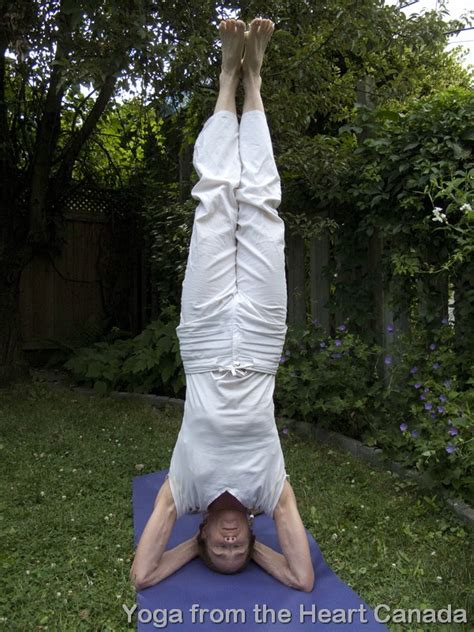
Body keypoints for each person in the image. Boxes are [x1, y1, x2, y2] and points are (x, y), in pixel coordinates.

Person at [130, 17, 315, 593]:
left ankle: (223, 81)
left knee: (213, 209)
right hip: (260, 344)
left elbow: (143, 575)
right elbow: (302, 579)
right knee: (261, 210)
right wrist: (261, 549)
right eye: (238, 549)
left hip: (206, 341)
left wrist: (191, 540)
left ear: (206, 530)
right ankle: (253, 81)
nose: (230, 544)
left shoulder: (182, 491)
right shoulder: (270, 491)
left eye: (220, 548)